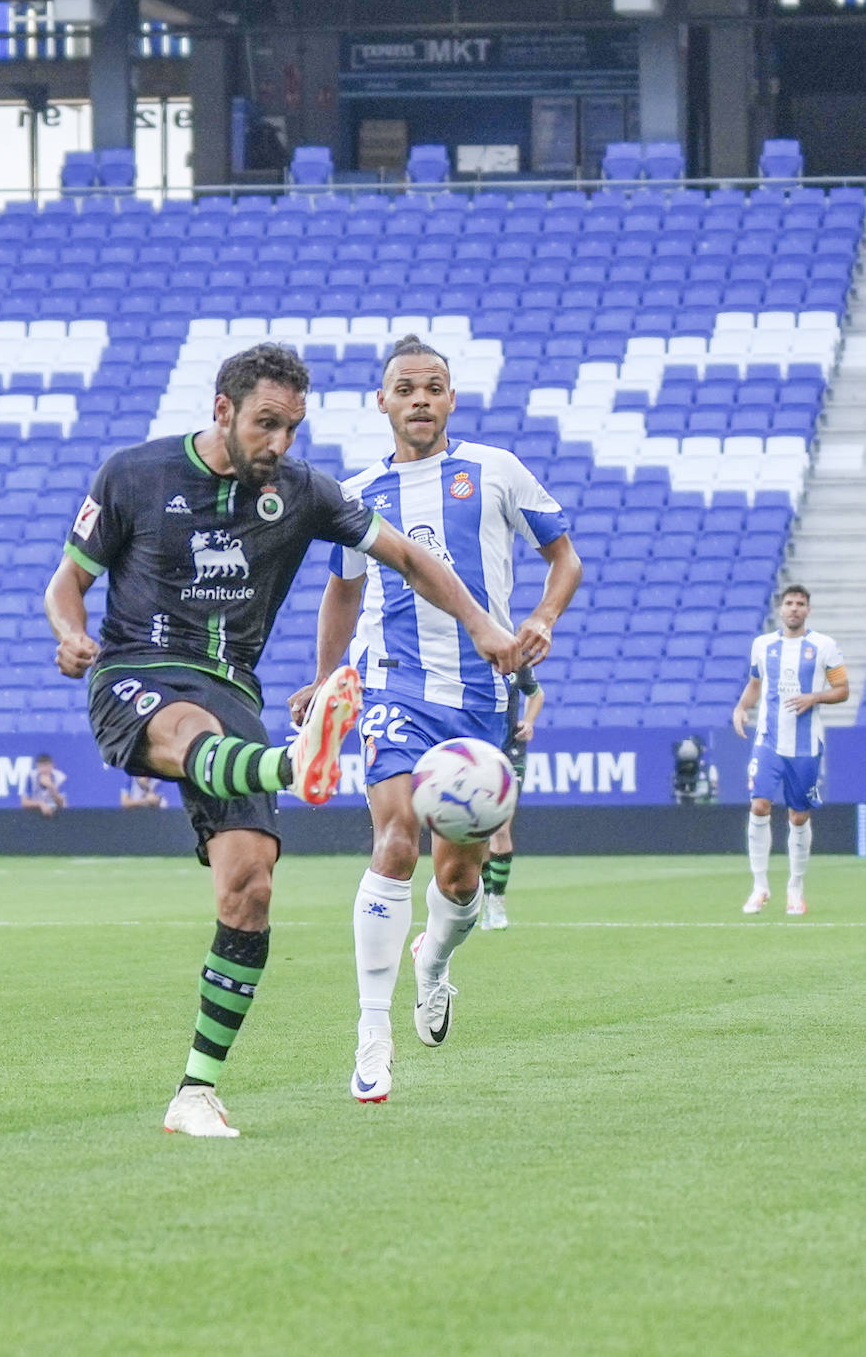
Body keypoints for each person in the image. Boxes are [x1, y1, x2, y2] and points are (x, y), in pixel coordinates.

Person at [44, 342, 526, 1138]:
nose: (278, 445)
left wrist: (481, 626)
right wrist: (69, 634)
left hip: (233, 687)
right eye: (266, 425)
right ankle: (290, 761)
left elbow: (405, 556)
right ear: (222, 411)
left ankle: (195, 1093)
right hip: (139, 670)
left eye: (292, 429)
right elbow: (69, 582)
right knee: (190, 731)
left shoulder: (299, 492)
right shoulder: (133, 473)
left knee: (250, 886)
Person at [290, 334, 581, 1104]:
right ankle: (370, 1034)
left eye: (434, 387)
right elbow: (343, 594)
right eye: (406, 388)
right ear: (381, 401)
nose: (420, 399)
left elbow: (565, 558)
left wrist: (543, 619)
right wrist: (324, 680)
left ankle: (436, 964)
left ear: (451, 399)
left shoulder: (495, 470)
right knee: (394, 841)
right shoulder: (355, 495)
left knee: (459, 874)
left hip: (482, 693)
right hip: (393, 685)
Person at [732, 583, 848, 916]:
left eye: (800, 603)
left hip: (805, 745)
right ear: (780, 609)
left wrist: (814, 697)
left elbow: (842, 689)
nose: (794, 608)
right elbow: (755, 684)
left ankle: (795, 888)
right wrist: (741, 708)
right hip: (768, 741)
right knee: (759, 806)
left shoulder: (823, 646)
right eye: (789, 603)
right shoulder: (763, 645)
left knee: (798, 816)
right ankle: (759, 886)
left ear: (807, 610)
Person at [479, 664, 545, 931]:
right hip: (480, 751)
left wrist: (528, 721)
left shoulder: (517, 661)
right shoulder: (470, 662)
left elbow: (537, 694)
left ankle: (497, 901)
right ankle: (484, 898)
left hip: (511, 753)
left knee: (501, 827)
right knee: (479, 831)